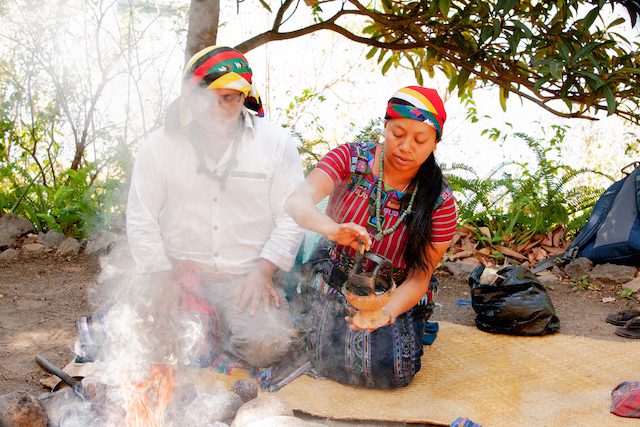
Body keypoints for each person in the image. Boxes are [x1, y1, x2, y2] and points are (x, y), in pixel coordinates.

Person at [126, 45, 304, 369]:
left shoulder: (276, 143)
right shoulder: (158, 146)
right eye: (210, 98)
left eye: (230, 99)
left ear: (244, 97)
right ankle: (211, 334)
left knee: (268, 346)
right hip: (180, 276)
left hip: (248, 277)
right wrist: (162, 278)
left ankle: (218, 334)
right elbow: (141, 218)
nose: (220, 109)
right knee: (152, 348)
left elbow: (292, 217)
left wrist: (263, 273)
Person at [285, 85, 457, 388]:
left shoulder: (439, 200)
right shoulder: (350, 159)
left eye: (420, 140)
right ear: (385, 127)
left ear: (435, 144)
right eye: (397, 134)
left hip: (394, 290)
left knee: (391, 369)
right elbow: (297, 202)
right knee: (321, 350)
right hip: (337, 276)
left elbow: (420, 277)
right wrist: (332, 229)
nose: (406, 147)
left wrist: (387, 312)